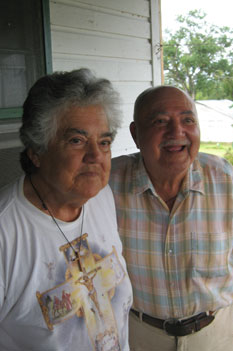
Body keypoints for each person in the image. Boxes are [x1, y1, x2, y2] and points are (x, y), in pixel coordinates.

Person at [109, 85, 233, 351]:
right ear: (135, 133)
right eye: (160, 121)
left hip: (214, 337)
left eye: (187, 120)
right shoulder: (108, 184)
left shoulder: (224, 179)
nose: (177, 132)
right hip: (137, 336)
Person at [0, 68, 133, 351]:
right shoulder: (6, 232)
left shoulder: (100, 197)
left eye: (104, 142)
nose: (96, 156)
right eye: (77, 141)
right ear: (36, 151)